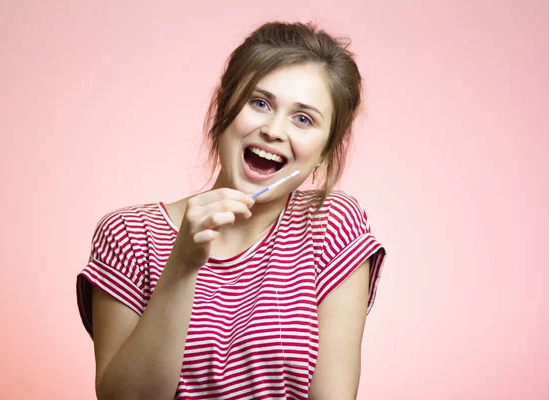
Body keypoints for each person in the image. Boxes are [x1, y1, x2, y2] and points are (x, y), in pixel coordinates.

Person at [76, 21, 387, 400]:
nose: (274, 130)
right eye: (260, 103)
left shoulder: (330, 225)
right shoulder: (129, 234)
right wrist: (182, 265)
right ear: (224, 106)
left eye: (303, 119)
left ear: (323, 150)